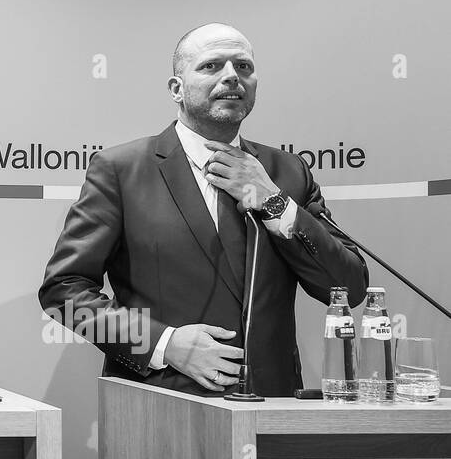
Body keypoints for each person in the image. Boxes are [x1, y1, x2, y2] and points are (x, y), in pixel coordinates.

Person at [39, 22, 367, 397]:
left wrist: (274, 202)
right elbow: (63, 295)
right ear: (176, 89)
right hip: (160, 405)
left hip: (272, 408)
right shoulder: (121, 170)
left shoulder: (287, 173)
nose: (232, 77)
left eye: (243, 67)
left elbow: (349, 288)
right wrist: (165, 344)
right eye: (212, 66)